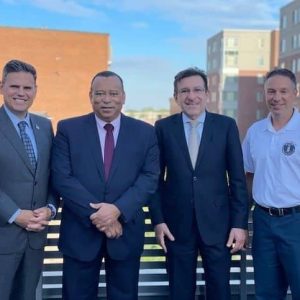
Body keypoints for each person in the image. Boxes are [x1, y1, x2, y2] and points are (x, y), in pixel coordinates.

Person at [51, 70, 160, 300]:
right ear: (90, 96)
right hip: (80, 234)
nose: (106, 99)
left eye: (113, 93)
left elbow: (149, 177)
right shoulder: (68, 129)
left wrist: (117, 210)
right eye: (100, 93)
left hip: (126, 231)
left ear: (123, 97)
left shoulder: (145, 132)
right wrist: (101, 215)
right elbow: (62, 178)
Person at [150, 67, 249, 300]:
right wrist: (158, 219)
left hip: (219, 226)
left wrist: (238, 223)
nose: (191, 96)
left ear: (207, 94)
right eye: (184, 91)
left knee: (220, 291)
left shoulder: (226, 126)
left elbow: (237, 179)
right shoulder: (163, 128)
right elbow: (154, 180)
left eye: (197, 90)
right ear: (176, 96)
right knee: (180, 291)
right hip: (176, 226)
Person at [0, 59, 57, 300]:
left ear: (35, 90)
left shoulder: (44, 126)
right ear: (2, 87)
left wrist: (51, 209)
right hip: (3, 236)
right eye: (14, 87)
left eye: (27, 87)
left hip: (35, 238)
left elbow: (52, 176)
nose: (21, 93)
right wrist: (15, 214)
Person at [242, 68, 300, 299]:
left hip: (296, 221)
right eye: (271, 91)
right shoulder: (255, 132)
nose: (277, 98)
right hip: (263, 221)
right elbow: (247, 175)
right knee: (266, 292)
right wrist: (243, 219)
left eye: (283, 91)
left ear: (295, 93)